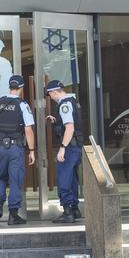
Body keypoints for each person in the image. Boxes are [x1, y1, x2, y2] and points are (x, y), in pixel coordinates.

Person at [0, 75, 35, 225]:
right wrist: (32, 150)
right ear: (21, 88)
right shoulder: (22, 105)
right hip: (15, 148)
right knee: (15, 180)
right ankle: (13, 214)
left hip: (0, 148)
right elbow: (28, 129)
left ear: (9, 86)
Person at [45, 80, 83, 223]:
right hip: (75, 146)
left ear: (55, 92)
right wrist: (57, 121)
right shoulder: (72, 101)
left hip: (69, 147)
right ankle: (75, 209)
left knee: (64, 178)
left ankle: (67, 212)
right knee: (72, 178)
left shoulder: (64, 105)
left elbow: (70, 128)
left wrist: (62, 148)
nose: (51, 97)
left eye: (50, 94)